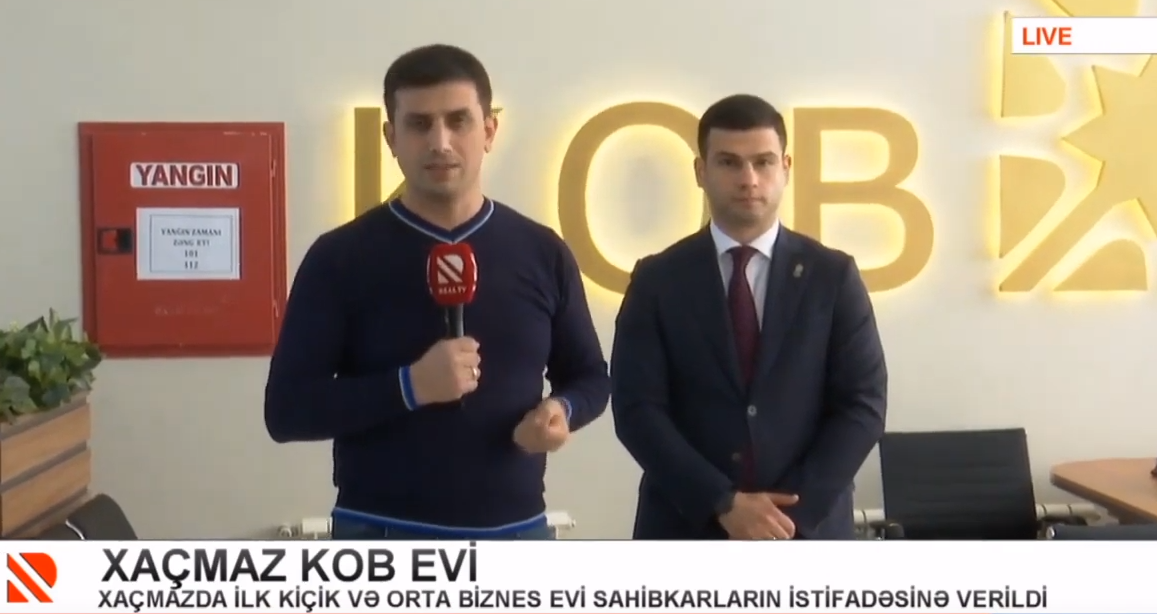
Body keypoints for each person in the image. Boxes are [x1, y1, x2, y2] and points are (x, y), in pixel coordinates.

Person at [264, 44, 610, 540]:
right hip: (382, 537)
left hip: (519, 533)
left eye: (458, 121)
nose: (440, 142)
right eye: (420, 124)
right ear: (391, 138)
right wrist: (410, 386)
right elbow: (287, 411)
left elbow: (590, 377)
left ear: (489, 130)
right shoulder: (339, 257)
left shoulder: (543, 250)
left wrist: (562, 411)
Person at [611, 94, 887, 540]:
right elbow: (637, 410)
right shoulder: (657, 280)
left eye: (763, 162)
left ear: (786, 168)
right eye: (729, 163)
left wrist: (786, 516)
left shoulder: (832, 277)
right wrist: (721, 502)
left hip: (807, 530)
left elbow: (863, 404)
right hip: (688, 528)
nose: (749, 179)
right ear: (700, 171)